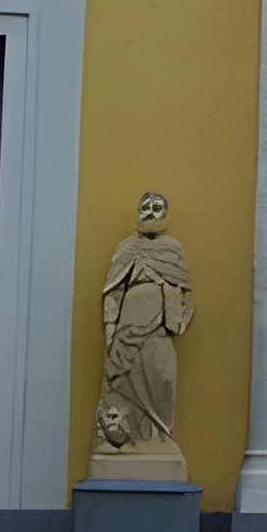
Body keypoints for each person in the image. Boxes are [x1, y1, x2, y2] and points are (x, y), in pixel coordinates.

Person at [97, 189, 193, 454]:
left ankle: (160, 436)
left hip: (160, 328)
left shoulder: (173, 249)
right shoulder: (127, 248)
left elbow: (186, 292)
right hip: (129, 325)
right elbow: (113, 292)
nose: (151, 212)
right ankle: (128, 438)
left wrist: (179, 317)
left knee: (163, 376)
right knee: (126, 379)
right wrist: (110, 330)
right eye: (146, 206)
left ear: (166, 214)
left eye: (158, 207)